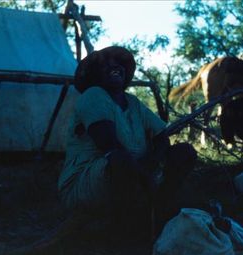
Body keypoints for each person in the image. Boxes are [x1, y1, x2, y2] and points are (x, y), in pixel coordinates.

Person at [57, 46, 197, 243]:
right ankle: (125, 228)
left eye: (118, 63)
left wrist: (151, 165)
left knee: (184, 152)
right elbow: (108, 144)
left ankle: (157, 208)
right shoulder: (93, 95)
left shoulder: (133, 102)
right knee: (119, 160)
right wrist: (146, 173)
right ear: (95, 75)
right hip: (88, 182)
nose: (114, 66)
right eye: (105, 65)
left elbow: (161, 136)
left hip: (137, 173)